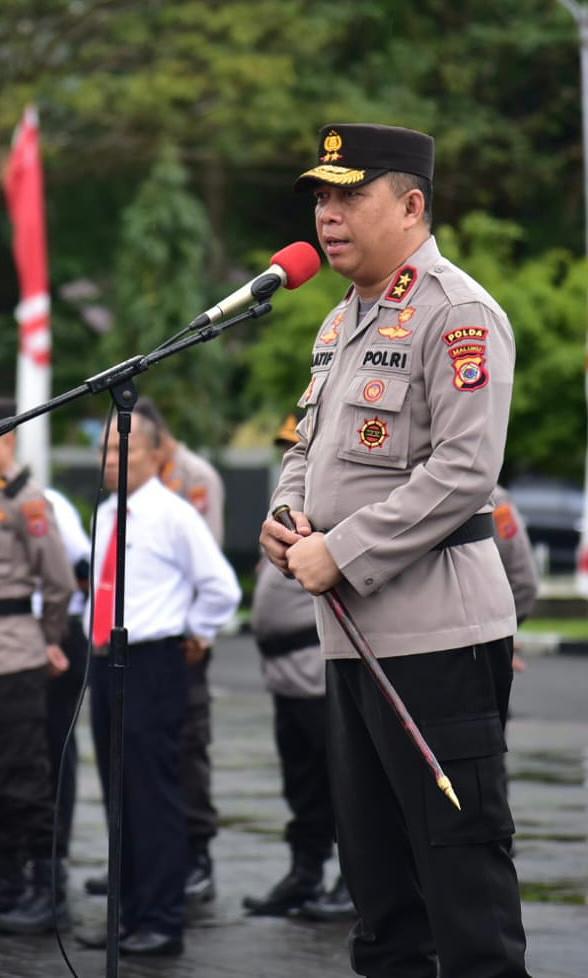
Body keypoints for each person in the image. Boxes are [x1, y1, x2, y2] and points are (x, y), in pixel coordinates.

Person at [260, 124, 533, 978]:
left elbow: (463, 472)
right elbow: (307, 445)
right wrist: (284, 513)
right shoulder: (342, 320)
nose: (327, 214)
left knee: (464, 891)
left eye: (350, 195)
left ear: (412, 204)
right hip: (349, 637)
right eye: (321, 196)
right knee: (380, 901)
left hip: (437, 638)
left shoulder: (457, 313)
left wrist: (340, 550)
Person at [82, 410, 240, 956]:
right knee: (117, 793)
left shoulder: (172, 514)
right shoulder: (108, 512)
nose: (108, 462)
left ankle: (162, 919)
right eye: (102, 452)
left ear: (152, 454)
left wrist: (197, 632)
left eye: (117, 451)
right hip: (106, 661)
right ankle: (128, 913)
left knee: (153, 795)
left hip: (152, 661)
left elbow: (220, 586)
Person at [243, 413, 354, 921]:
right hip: (286, 676)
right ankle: (305, 874)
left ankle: (354, 883)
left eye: (298, 446)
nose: (291, 456)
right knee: (303, 786)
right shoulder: (289, 506)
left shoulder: (337, 499)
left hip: (319, 666)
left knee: (345, 786)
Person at [0, 399, 75, 936]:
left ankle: (47, 890)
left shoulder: (28, 501)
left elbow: (60, 584)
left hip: (15, 652)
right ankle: (7, 882)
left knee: (25, 774)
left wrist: (48, 639)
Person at [43, 488, 91, 869]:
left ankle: (52, 856)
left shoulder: (46, 502)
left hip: (55, 632)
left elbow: (83, 568)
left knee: (55, 746)